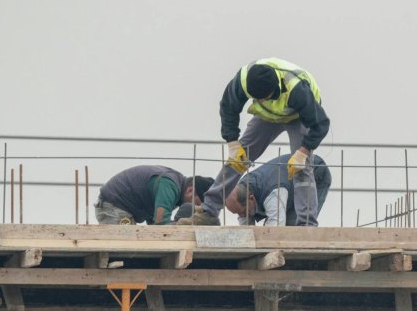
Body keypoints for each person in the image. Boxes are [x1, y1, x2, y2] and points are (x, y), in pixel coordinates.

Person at [181, 58, 330, 225]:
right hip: (267, 116)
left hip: (298, 116)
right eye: (257, 98)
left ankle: (306, 224)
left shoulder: (297, 90)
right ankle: (209, 212)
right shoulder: (243, 80)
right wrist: (232, 143)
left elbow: (321, 124)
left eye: (264, 97)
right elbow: (228, 107)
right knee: (238, 159)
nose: (261, 101)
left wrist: (303, 151)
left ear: (275, 89)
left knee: (301, 168)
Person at [226, 153, 332, 226]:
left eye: (242, 212)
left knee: (295, 227)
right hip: (287, 183)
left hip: (315, 171)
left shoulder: (273, 193)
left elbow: (276, 228)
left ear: (251, 198)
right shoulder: (243, 191)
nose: (241, 216)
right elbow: (246, 230)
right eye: (237, 213)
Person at [95, 166, 212, 225]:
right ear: (190, 190)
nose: (194, 209)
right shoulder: (169, 187)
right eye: (196, 204)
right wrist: (180, 226)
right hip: (114, 207)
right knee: (124, 248)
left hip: (116, 205)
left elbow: (154, 222)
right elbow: (161, 224)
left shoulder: (175, 186)